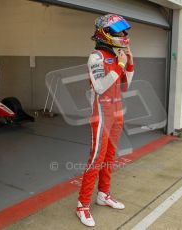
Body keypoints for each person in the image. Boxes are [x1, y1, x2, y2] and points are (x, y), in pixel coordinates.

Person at [76, 14, 134, 227]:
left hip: (117, 112)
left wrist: (129, 61)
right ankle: (82, 204)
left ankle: (103, 194)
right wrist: (119, 64)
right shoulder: (96, 57)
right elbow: (100, 87)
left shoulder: (117, 54)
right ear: (105, 33)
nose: (123, 35)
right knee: (97, 159)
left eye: (124, 31)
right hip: (101, 114)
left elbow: (126, 85)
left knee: (110, 156)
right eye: (119, 31)